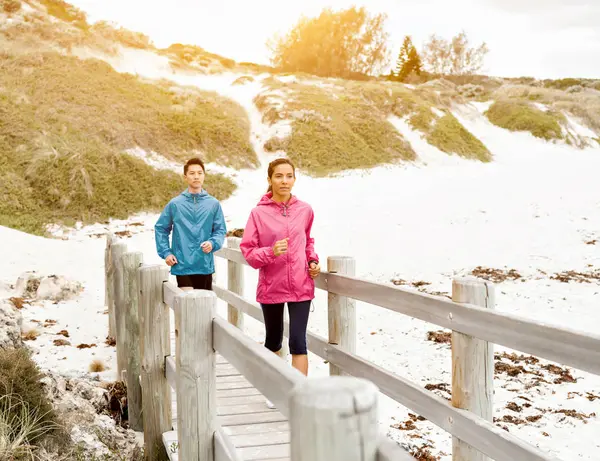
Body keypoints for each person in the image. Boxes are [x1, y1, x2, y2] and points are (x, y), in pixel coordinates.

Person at [240, 158, 320, 407]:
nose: (284, 181)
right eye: (279, 176)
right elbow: (249, 252)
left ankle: (299, 396)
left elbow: (308, 241)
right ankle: (274, 390)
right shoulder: (258, 213)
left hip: (300, 284)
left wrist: (313, 261)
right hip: (271, 286)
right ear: (269, 180)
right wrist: (271, 252)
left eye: (289, 176)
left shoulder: (305, 210)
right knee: (274, 340)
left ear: (294, 179)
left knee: (298, 340)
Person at [155, 157, 226, 291]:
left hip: (204, 264)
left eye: (199, 173)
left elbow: (220, 230)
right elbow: (161, 228)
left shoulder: (213, 204)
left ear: (204, 176)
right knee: (187, 307)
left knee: (203, 308)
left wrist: (212, 243)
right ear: (185, 177)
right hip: (182, 264)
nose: (196, 177)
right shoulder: (175, 204)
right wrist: (166, 253)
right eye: (192, 173)